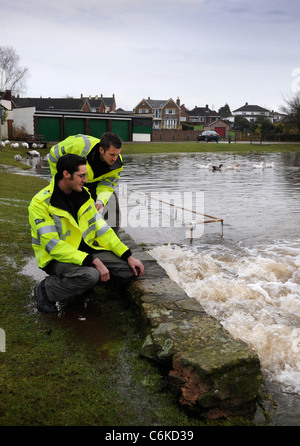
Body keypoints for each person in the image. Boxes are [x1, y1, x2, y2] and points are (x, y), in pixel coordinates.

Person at [29, 153, 144, 314]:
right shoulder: (40, 203)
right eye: (81, 176)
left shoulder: (84, 196)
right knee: (90, 275)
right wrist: (92, 260)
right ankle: (47, 289)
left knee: (129, 271)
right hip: (56, 258)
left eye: (86, 175)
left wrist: (127, 255)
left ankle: (80, 284)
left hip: (85, 251)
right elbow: (52, 246)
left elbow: (102, 230)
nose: (86, 180)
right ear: (66, 174)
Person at [48, 132, 123, 213]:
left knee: (111, 203)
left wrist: (100, 201)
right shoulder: (79, 145)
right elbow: (53, 156)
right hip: (71, 179)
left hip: (93, 182)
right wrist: (61, 181)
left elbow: (107, 185)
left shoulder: (117, 165)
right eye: (112, 155)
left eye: (117, 154)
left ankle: (111, 225)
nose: (115, 158)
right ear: (101, 150)